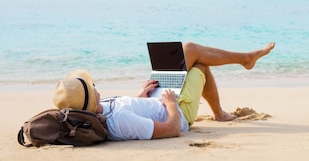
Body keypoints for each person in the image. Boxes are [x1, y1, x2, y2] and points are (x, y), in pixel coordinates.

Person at [53, 41, 275, 140]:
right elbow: (172, 130)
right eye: (91, 87)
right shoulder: (121, 121)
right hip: (179, 112)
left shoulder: (103, 109)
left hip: (157, 99)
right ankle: (245, 60)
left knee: (188, 51)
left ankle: (243, 64)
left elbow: (127, 108)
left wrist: (141, 95)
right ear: (90, 98)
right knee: (199, 64)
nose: (94, 86)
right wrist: (170, 104)